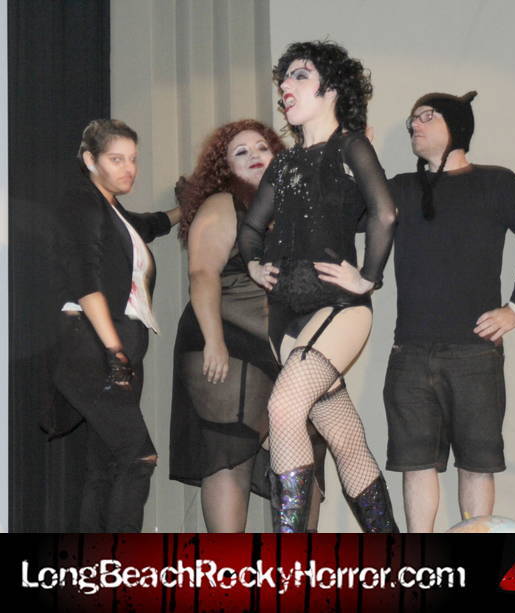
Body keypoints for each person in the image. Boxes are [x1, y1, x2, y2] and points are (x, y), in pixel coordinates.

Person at [238, 41, 399, 533]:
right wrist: (253, 264)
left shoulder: (350, 146)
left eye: (300, 75)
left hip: (339, 308)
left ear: (332, 90)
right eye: (283, 79)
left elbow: (385, 213)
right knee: (346, 440)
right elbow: (251, 227)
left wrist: (368, 277)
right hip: (286, 318)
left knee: (284, 408)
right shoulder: (284, 163)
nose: (286, 86)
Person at [384, 91, 515, 532]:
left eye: (427, 116)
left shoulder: (496, 183)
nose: (415, 125)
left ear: (457, 126)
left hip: (474, 352)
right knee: (415, 463)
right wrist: (356, 155)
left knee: (477, 463)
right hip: (410, 350)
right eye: (412, 120)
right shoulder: (401, 188)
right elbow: (350, 217)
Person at [170, 120, 326, 532]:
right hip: (230, 340)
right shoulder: (224, 203)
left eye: (262, 147)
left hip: (285, 351)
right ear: (225, 168)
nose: (255, 155)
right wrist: (214, 341)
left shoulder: (294, 209)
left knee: (305, 457)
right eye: (241, 152)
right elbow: (202, 273)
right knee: (230, 456)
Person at [52, 119, 180, 532]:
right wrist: (115, 353)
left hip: (120, 346)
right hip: (95, 346)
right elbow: (85, 280)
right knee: (138, 456)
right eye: (116, 159)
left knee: (105, 465)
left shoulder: (113, 211)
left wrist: (185, 209)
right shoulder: (82, 202)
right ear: (90, 160)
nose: (129, 169)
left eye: (133, 159)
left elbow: (148, 226)